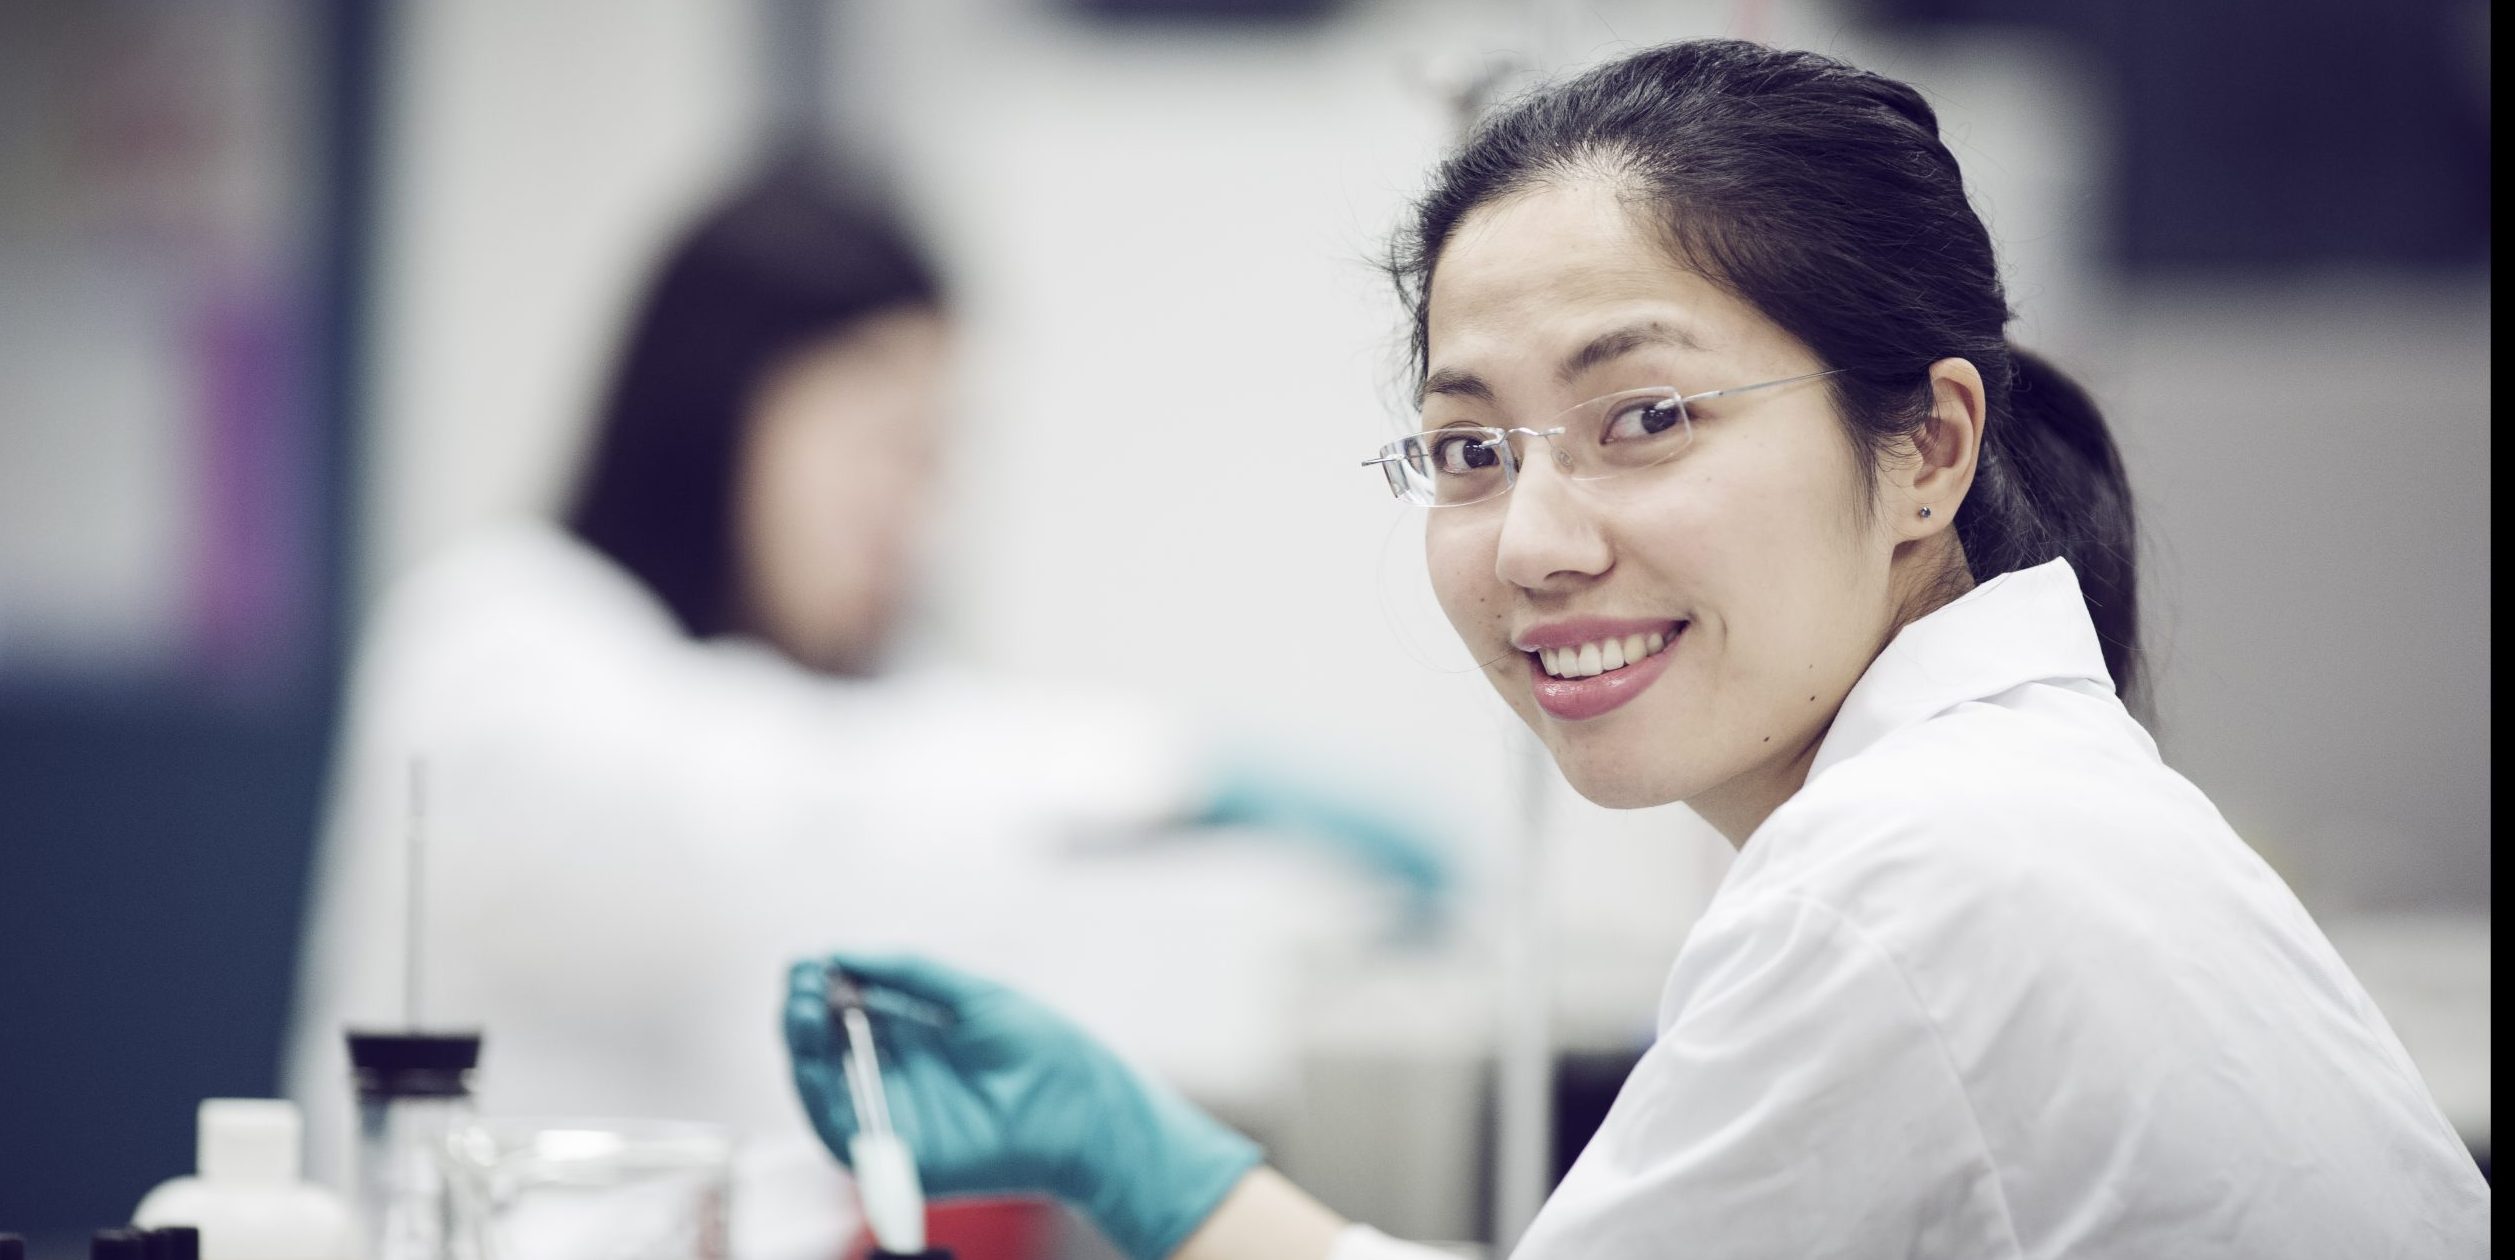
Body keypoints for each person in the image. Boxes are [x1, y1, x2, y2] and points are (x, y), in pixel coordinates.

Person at [780, 41, 2491, 1260]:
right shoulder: (1991, 806)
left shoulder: (1908, 875)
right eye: (1469, 449)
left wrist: (1159, 1180)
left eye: (1646, 417)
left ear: (1927, 449)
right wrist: (1156, 1173)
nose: (1532, 542)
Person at [284, 157, 1445, 1260]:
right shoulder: (499, 644)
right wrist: (1186, 775)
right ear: (720, 414)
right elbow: (774, 815)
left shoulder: (863, 697)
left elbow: (995, 885)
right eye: (887, 445)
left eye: (934, 457)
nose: (913, 509)